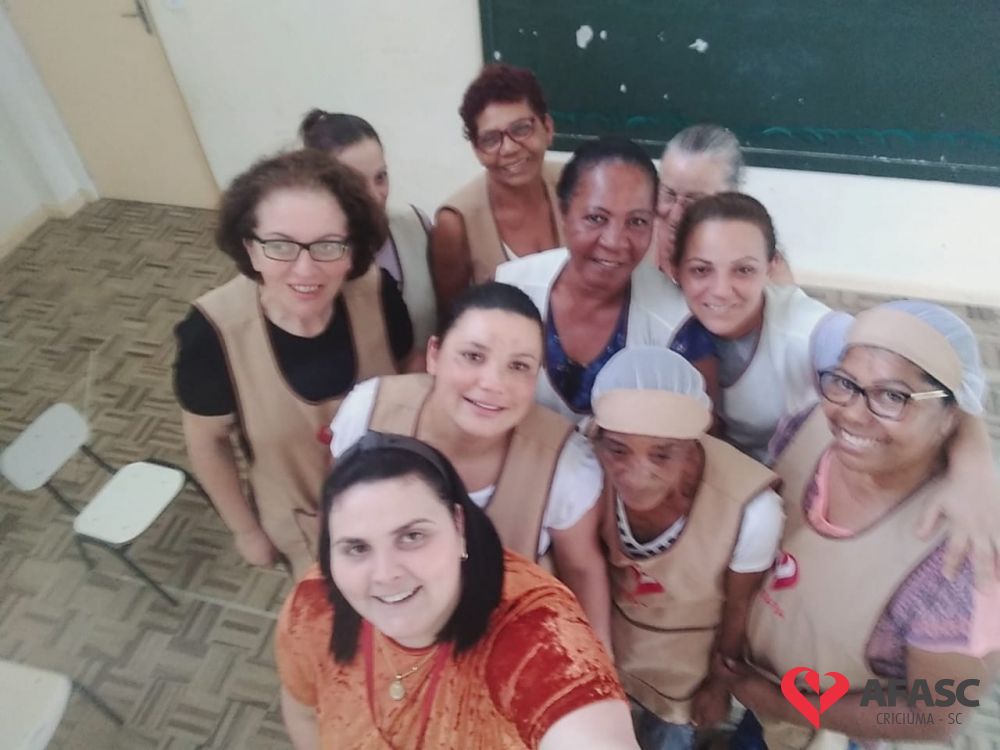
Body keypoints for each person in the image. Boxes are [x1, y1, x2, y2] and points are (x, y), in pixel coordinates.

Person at [721, 300, 1000, 749]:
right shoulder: (805, 430)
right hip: (761, 695)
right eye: (846, 382)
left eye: (892, 396)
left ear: (953, 416)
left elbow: (938, 712)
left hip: (840, 732)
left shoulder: (960, 562)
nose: (852, 413)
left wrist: (787, 703)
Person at [276, 433, 641, 749]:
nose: (385, 574)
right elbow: (305, 713)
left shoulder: (536, 632)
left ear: (459, 526)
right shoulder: (314, 605)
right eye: (357, 548)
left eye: (412, 536)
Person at [329, 281, 612, 650]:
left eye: (519, 366)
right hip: (383, 633)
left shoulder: (564, 465)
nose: (493, 383)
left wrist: (596, 659)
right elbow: (336, 514)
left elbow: (582, 570)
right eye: (473, 356)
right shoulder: (370, 410)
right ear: (434, 354)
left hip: (500, 649)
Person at [174, 149, 416, 578]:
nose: (305, 270)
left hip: (399, 504)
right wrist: (246, 531)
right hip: (304, 532)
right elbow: (207, 442)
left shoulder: (378, 293)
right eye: (280, 246)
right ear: (251, 250)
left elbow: (410, 374)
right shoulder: (212, 333)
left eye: (328, 245)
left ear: (352, 250)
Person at [588, 348, 783, 750]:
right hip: (608, 651)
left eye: (662, 453)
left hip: (685, 671)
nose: (637, 474)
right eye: (618, 449)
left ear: (694, 443)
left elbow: (739, 607)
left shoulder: (752, 510)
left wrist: (719, 684)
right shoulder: (584, 462)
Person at [495, 136, 697, 423]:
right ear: (564, 212)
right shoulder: (511, 288)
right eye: (596, 218)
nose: (614, 242)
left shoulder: (677, 323)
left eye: (637, 221)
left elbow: (693, 434)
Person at [431, 63, 566, 314]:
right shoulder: (456, 223)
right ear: (476, 149)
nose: (509, 148)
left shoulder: (576, 185)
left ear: (547, 128)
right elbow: (452, 317)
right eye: (491, 139)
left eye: (521, 129)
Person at [299, 109, 438, 351]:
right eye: (356, 183)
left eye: (381, 177)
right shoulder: (307, 257)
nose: (374, 195)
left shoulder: (415, 227)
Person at [648, 124, 793, 283]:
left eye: (693, 202)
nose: (676, 216)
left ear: (732, 197)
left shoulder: (762, 266)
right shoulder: (636, 246)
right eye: (668, 195)